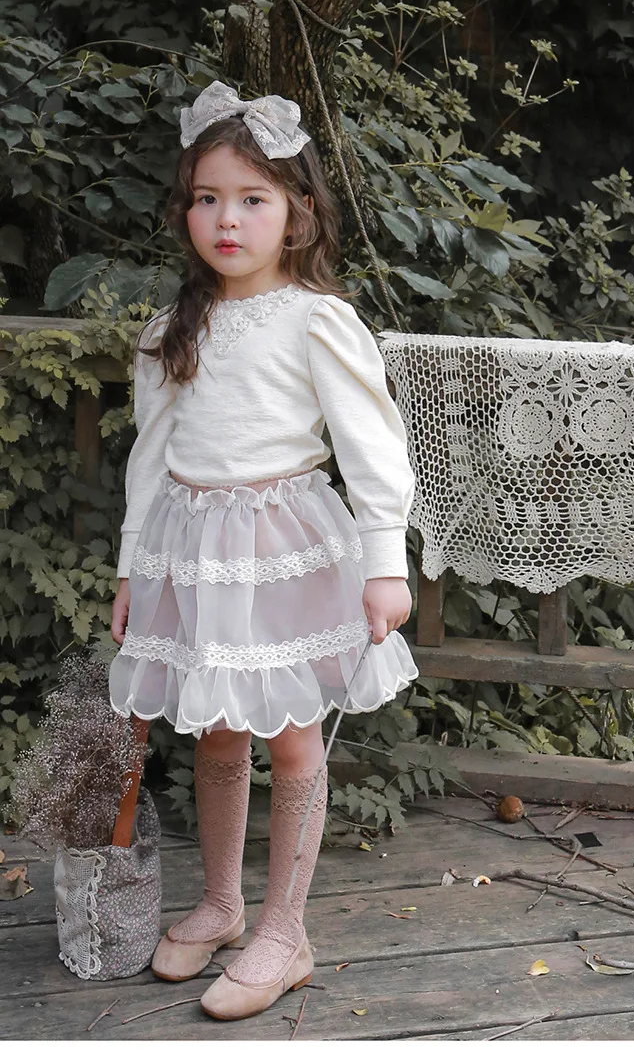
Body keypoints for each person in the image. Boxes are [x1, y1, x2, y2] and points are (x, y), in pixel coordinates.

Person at [108, 81, 418, 1021]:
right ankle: (222, 901)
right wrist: (131, 567)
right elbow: (151, 457)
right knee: (217, 725)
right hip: (193, 554)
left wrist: (385, 563)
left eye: (252, 198)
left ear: (298, 212)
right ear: (185, 211)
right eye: (207, 198)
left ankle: (287, 928)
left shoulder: (314, 318)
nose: (227, 219)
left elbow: (373, 446)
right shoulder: (174, 328)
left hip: (283, 550)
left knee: (288, 735)